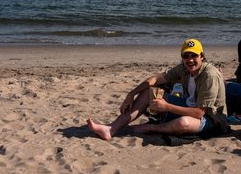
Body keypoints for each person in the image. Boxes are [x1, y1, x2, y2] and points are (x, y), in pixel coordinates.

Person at [88, 38, 229, 140]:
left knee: (183, 122)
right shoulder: (184, 68)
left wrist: (167, 107)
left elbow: (199, 113)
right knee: (148, 93)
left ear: (202, 57)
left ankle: (151, 128)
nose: (190, 59)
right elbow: (155, 79)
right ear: (182, 58)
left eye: (194, 55)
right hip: (190, 104)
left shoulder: (209, 75)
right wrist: (131, 94)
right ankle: (111, 129)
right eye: (186, 56)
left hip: (211, 119)